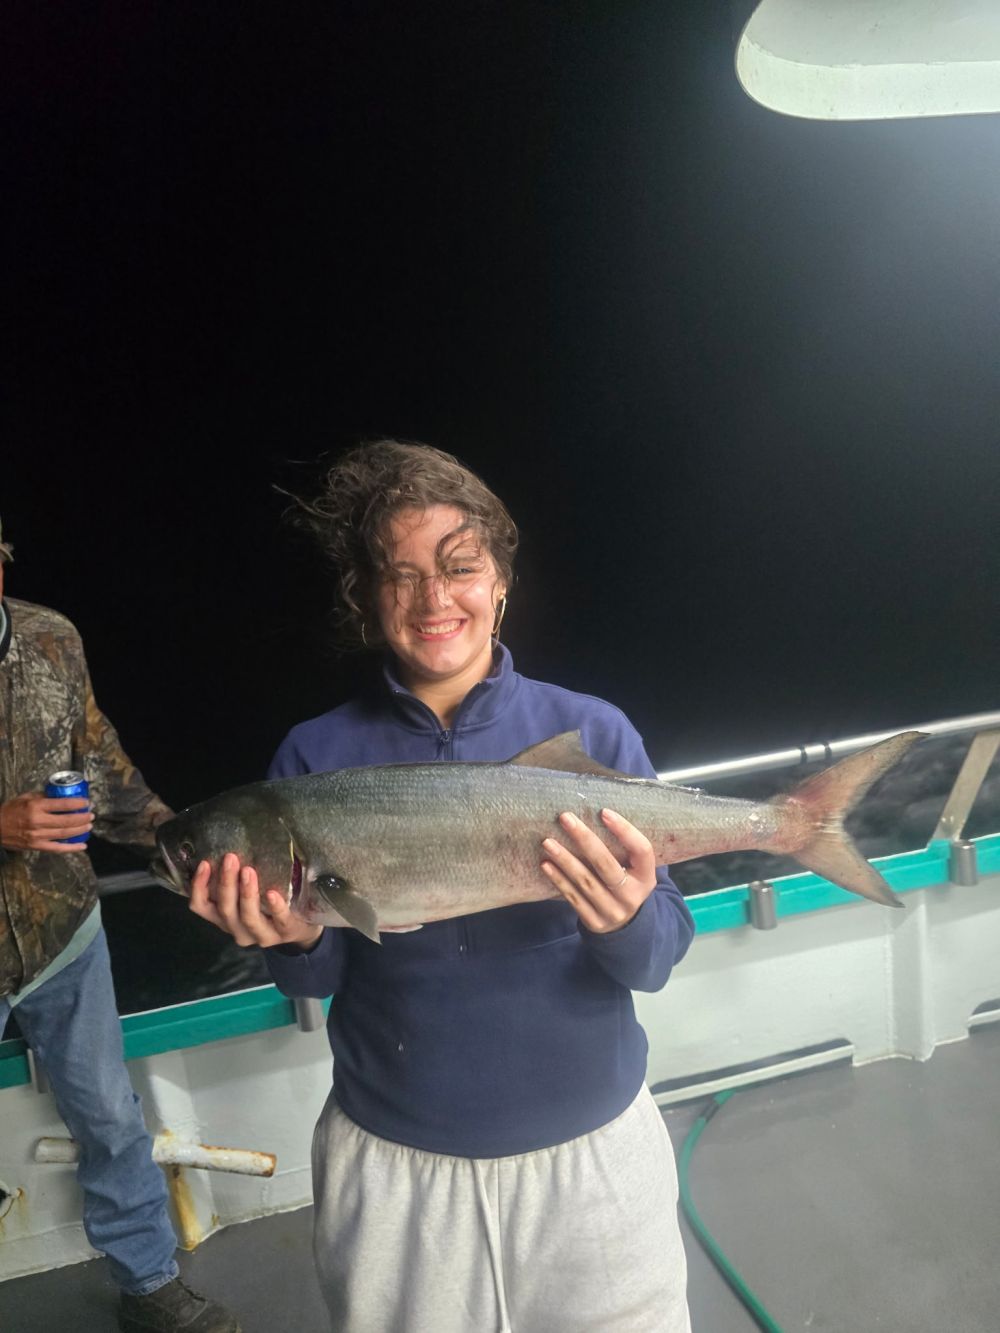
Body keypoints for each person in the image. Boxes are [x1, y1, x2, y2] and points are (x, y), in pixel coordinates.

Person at [190, 440, 696, 1333]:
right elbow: (319, 980)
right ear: (367, 594)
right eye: (401, 574)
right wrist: (295, 938)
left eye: (458, 567)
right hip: (397, 1162)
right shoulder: (313, 757)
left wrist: (622, 922)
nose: (432, 599)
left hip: (593, 1153)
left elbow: (655, 957)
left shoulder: (590, 732)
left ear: (500, 579)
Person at [0, 519, 241, 1333]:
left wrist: (193, 851)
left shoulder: (50, 638)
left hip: (64, 936)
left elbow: (103, 772)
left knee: (109, 1113)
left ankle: (148, 1282)